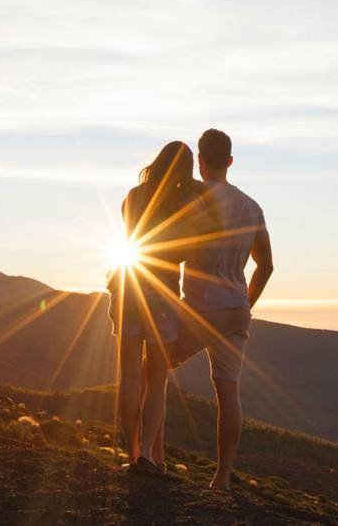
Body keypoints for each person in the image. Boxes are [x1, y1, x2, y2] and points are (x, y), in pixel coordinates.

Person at [175, 129, 273, 491]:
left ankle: (146, 454)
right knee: (228, 394)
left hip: (201, 308)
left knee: (153, 363)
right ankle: (222, 478)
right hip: (236, 309)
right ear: (230, 161)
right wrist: (246, 303)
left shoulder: (196, 198)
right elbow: (266, 266)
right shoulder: (251, 207)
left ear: (200, 161)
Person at [109, 140, 206, 476]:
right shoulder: (185, 203)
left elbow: (131, 237)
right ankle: (149, 456)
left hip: (128, 286)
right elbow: (190, 249)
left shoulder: (133, 197)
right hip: (162, 292)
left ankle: (133, 453)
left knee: (129, 378)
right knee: (156, 380)